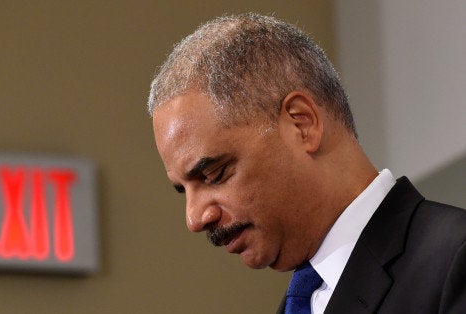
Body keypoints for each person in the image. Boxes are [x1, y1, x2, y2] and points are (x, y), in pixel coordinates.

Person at [147, 13, 466, 313]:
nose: (194, 218)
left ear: (302, 124)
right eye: (183, 189)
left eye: (215, 173)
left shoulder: (455, 260)